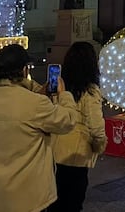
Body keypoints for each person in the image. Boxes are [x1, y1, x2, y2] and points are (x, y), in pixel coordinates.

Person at [0, 43, 78, 212]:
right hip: (27, 200)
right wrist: (64, 95)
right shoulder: (35, 104)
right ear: (24, 70)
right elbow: (68, 121)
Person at [49, 41, 107, 212]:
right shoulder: (89, 91)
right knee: (73, 202)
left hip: (55, 151)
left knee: (56, 201)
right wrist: (100, 143)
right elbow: (96, 125)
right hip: (77, 153)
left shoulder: (60, 87)